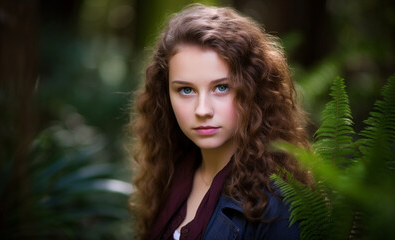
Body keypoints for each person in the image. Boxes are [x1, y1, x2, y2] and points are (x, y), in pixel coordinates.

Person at [128, 4, 311, 240]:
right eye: (186, 90)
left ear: (252, 90)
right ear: (166, 96)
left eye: (221, 87)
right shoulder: (170, 174)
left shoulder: (278, 205)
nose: (202, 110)